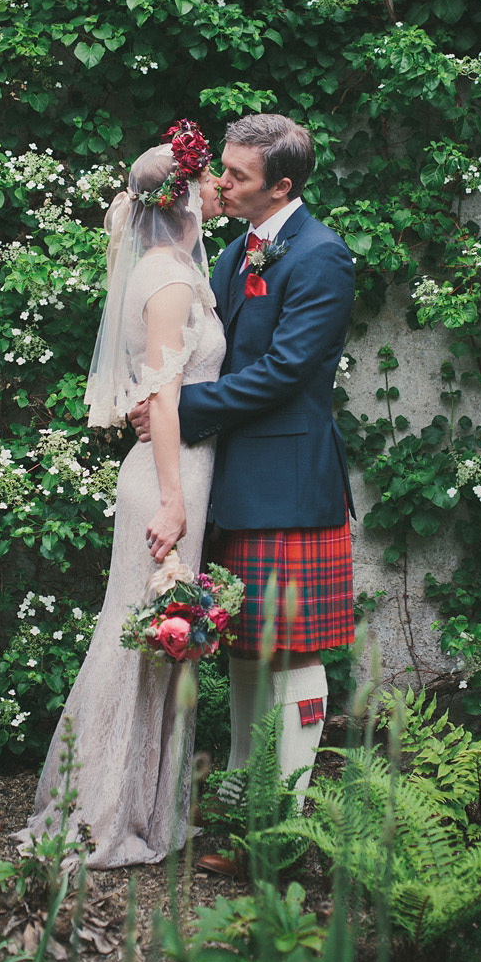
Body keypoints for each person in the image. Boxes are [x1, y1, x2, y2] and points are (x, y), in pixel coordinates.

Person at [13, 122, 225, 868]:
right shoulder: (166, 281)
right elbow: (162, 400)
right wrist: (172, 501)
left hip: (185, 470)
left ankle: (138, 804)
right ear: (182, 195)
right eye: (207, 178)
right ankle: (98, 812)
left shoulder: (178, 267)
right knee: (137, 639)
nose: (217, 188)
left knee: (157, 645)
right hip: (167, 481)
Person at [135, 113, 356, 821]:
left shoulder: (321, 254)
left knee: (291, 647)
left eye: (236, 176)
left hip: (288, 484)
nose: (219, 184)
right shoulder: (235, 254)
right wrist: (160, 403)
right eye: (222, 169)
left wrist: (183, 409)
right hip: (228, 479)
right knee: (241, 644)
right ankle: (239, 793)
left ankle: (284, 816)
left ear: (282, 184)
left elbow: (287, 372)